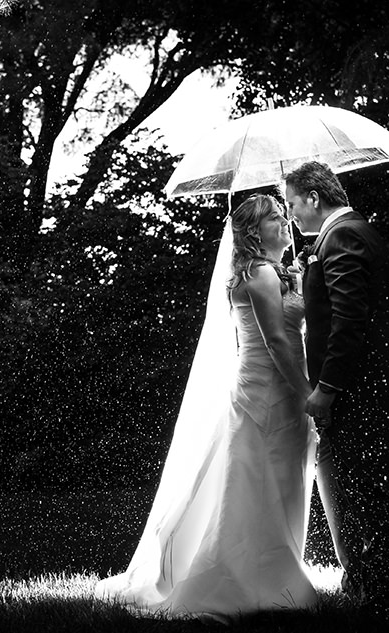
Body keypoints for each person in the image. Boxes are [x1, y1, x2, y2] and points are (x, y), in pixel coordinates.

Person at [94, 193, 320, 622]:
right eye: (276, 217)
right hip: (269, 393)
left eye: (285, 214)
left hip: (269, 392)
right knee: (261, 484)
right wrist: (308, 393)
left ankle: (275, 570)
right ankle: (252, 579)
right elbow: (276, 341)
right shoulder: (259, 275)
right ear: (253, 232)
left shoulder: (270, 273)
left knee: (276, 481)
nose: (287, 221)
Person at [284, 160, 389, 616]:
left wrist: (326, 388)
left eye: (293, 203)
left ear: (314, 198)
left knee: (360, 492)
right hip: (370, 390)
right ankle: (367, 589)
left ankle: (374, 596)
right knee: (360, 490)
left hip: (357, 392)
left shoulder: (342, 237)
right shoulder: (349, 234)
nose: (292, 214)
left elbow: (349, 323)